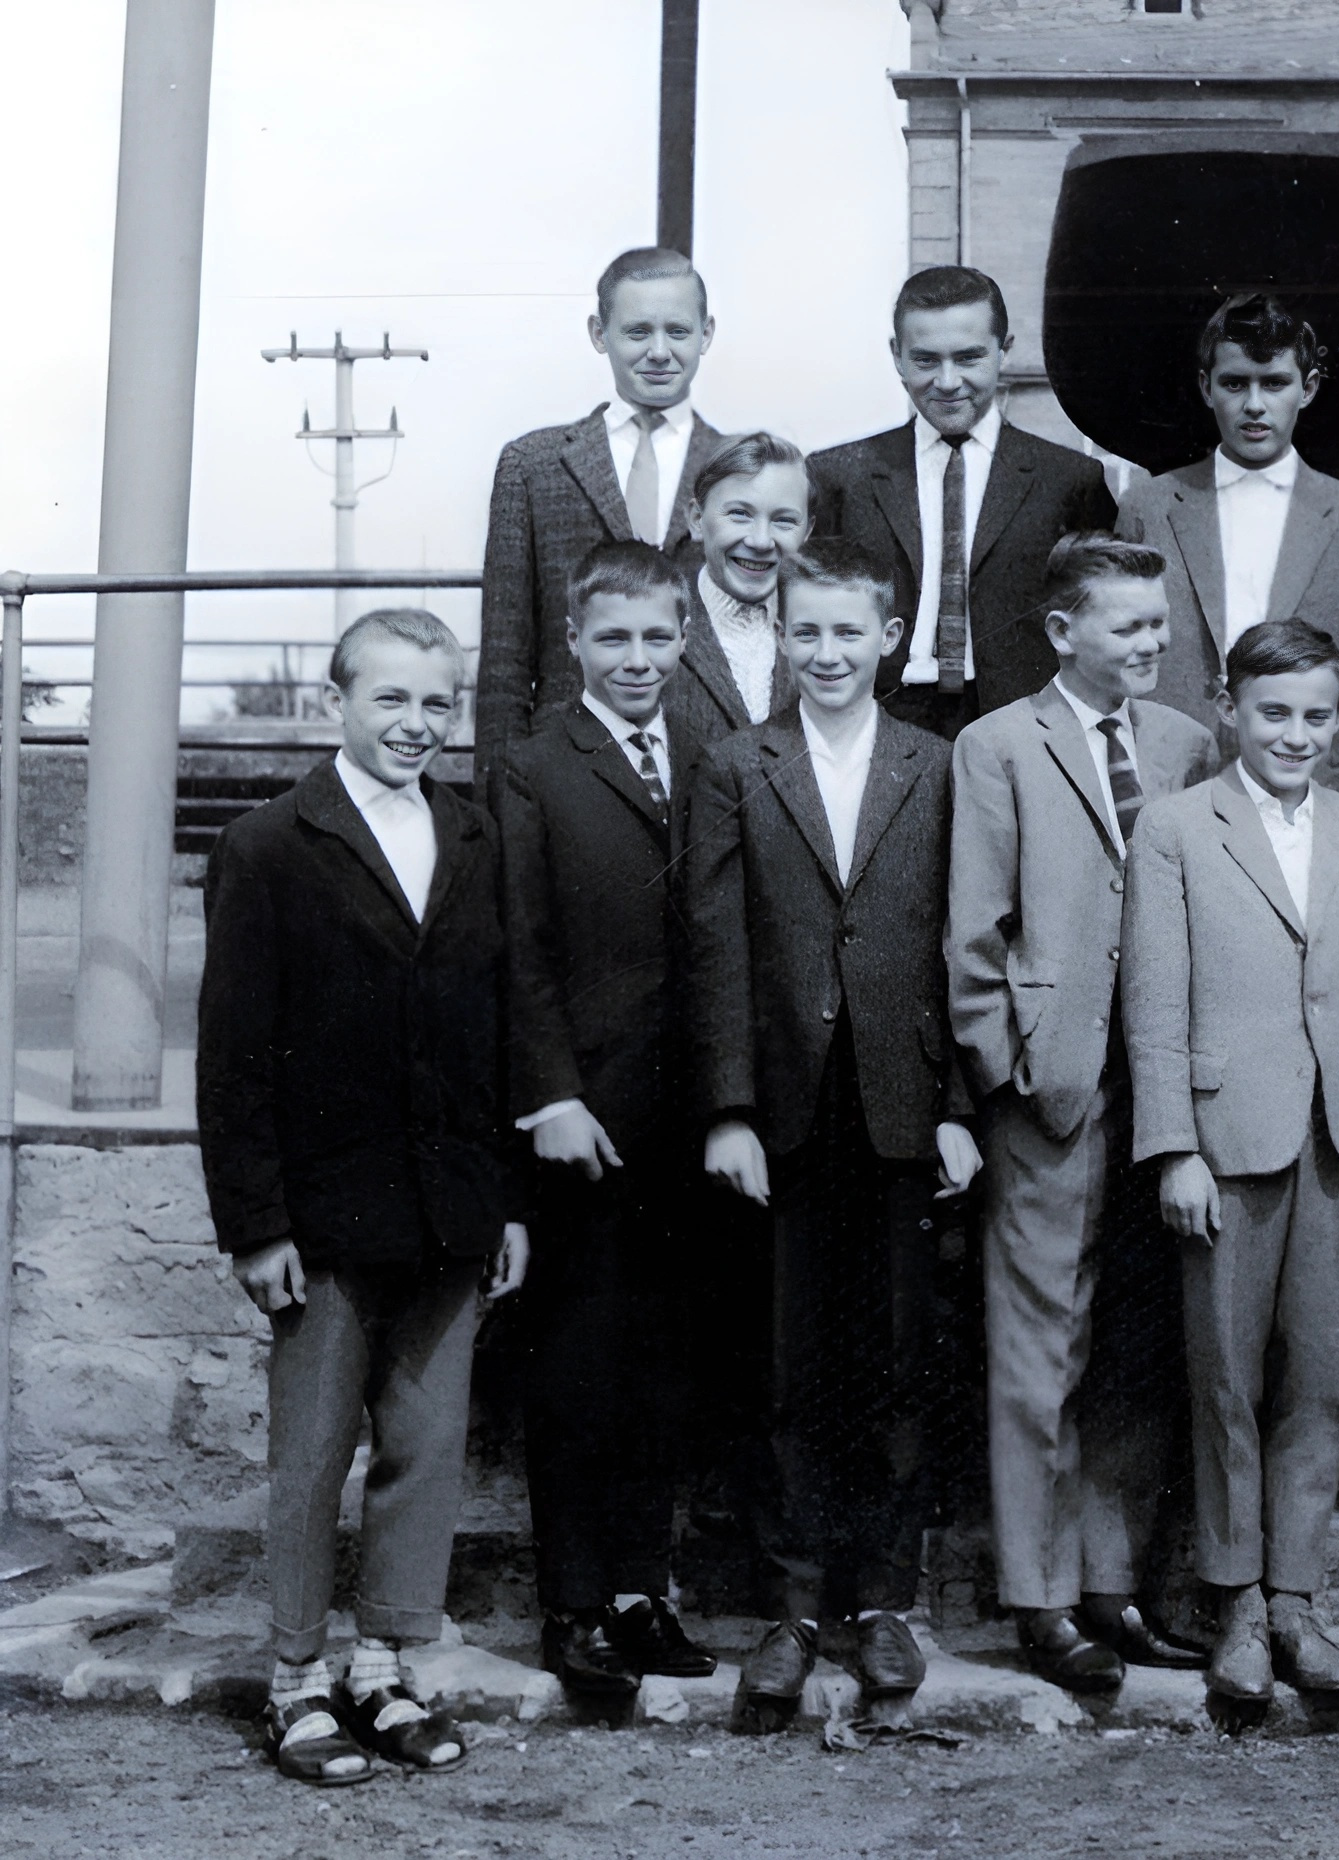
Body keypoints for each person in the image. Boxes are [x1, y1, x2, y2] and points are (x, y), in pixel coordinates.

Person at [198, 607, 528, 1786]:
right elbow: (234, 1055)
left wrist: (506, 1205)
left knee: (424, 1448)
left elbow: (497, 1033)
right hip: (323, 1218)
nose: (416, 723)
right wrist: (257, 1225)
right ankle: (296, 1683)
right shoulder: (269, 845)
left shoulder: (474, 835)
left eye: (438, 702)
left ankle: (383, 1671)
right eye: (391, 698)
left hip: (449, 1210)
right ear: (336, 701)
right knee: (312, 1455)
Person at [683, 536, 979, 1730]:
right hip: (786, 1111)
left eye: (848, 631)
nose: (826, 652)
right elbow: (714, 945)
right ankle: (793, 1605)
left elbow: (966, 943)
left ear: (889, 638)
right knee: (785, 1363)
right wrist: (730, 1111)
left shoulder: (937, 765)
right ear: (781, 636)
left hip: (902, 1104)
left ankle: (883, 1600)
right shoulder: (736, 764)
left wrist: (958, 1109)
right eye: (805, 630)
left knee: (898, 1361)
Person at [1123, 619, 1339, 1713]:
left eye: (1316, 716)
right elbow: (1154, 998)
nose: (1296, 735)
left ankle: (1295, 1599)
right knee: (1225, 1379)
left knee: (1322, 1377)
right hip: (1226, 1140)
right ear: (1229, 709)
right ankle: (1236, 1601)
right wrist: (1174, 1148)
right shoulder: (1176, 827)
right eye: (1274, 713)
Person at [946, 534, 1220, 1694]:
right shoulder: (1000, 745)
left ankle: (1112, 1587)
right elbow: (974, 934)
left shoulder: (1188, 744)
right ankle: (1041, 1598)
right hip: (1051, 1089)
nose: (1153, 642)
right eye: (1129, 625)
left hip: (1165, 1089)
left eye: (1160, 623)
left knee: (1139, 1349)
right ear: (1063, 632)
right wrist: (1008, 1073)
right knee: (1039, 1347)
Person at [494, 542, 720, 1703]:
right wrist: (553, 1093)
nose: (638, 659)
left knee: (664, 1363)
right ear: (576, 641)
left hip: (687, 1119)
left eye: (657, 637)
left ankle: (639, 1591)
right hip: (583, 1115)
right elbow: (519, 945)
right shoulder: (533, 768)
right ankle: (574, 1602)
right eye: (614, 638)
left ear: (685, 639)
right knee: (579, 1360)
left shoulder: (711, 759)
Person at [809, 266, 1119, 741]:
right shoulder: (840, 476)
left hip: (1021, 724)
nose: (948, 381)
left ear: (1003, 350)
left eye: (969, 357)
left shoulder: (1069, 479)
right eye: (926, 360)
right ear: (897, 356)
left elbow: (1098, 615)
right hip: (879, 719)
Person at [1116, 293, 1339, 802]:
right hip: (1173, 786)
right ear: (1206, 387)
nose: (1254, 405)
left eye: (1275, 383)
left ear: (1308, 388)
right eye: (1235, 383)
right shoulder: (1147, 508)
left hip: (1310, 791)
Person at [480, 247, 726, 779]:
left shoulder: (736, 469)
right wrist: (501, 801)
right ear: (599, 333)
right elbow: (504, 663)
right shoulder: (533, 465)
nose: (659, 352)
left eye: (678, 332)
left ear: (706, 334)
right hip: (566, 772)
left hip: (708, 768)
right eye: (637, 332)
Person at [666, 432, 806, 758]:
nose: (760, 541)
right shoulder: (656, 620)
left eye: (784, 520)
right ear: (697, 520)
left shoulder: (817, 624)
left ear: (807, 531)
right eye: (740, 514)